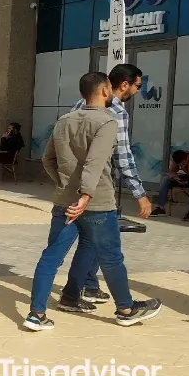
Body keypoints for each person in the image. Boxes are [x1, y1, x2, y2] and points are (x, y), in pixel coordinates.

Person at [24, 72, 162, 331]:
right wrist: (86, 195)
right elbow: (95, 162)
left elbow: (47, 160)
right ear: (105, 91)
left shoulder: (64, 120)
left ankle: (37, 313)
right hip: (97, 203)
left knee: (51, 257)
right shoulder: (107, 121)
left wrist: (65, 184)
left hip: (65, 202)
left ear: (82, 94)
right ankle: (126, 309)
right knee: (111, 258)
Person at [61, 64, 150, 309]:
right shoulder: (117, 111)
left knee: (85, 244)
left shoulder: (78, 106)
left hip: (72, 188)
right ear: (124, 85)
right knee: (109, 251)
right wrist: (140, 194)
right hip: (98, 190)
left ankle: (80, 290)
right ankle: (126, 307)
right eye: (137, 86)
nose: (138, 91)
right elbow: (123, 157)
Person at [150, 149, 189, 222]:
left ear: (187, 158)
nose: (182, 166)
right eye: (180, 165)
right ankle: (161, 208)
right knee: (166, 178)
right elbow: (171, 171)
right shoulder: (177, 159)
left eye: (183, 163)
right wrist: (176, 178)